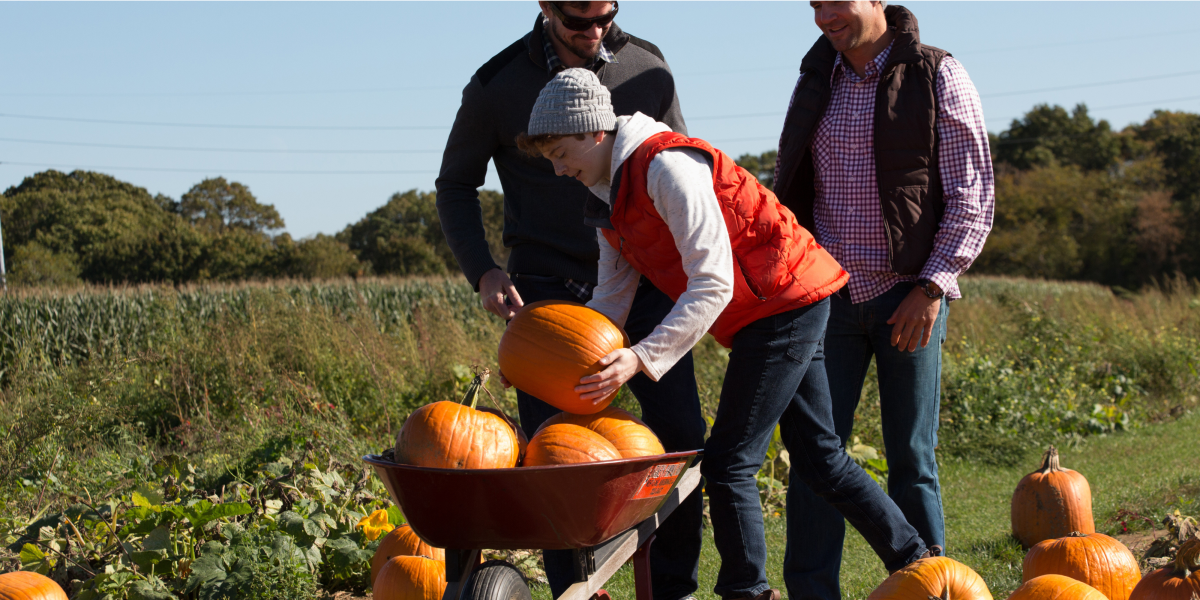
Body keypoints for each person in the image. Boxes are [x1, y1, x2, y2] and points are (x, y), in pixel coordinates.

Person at [516, 67, 934, 600]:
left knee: (730, 460)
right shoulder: (606, 197)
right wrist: (549, 362)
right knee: (820, 457)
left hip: (785, 300)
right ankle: (916, 558)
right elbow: (610, 304)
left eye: (560, 153)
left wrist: (640, 359)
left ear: (594, 131)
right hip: (772, 307)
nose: (557, 170)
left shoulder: (667, 167)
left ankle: (746, 592)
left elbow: (711, 285)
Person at [434, 3, 705, 600]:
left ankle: (673, 588)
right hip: (548, 288)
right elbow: (455, 183)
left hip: (644, 277)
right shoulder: (496, 84)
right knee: (558, 457)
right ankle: (575, 591)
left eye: (606, 14)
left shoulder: (646, 65)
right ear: (545, 7)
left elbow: (680, 156)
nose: (595, 30)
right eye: (578, 18)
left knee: (679, 438)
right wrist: (482, 270)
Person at [772, 3, 995, 599]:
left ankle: (931, 587)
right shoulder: (816, 79)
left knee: (911, 460)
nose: (822, 17)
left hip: (910, 294)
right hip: (827, 299)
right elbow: (788, 183)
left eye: (832, 2)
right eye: (812, 5)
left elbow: (972, 193)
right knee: (817, 460)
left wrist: (932, 287)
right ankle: (813, 594)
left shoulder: (936, 73)